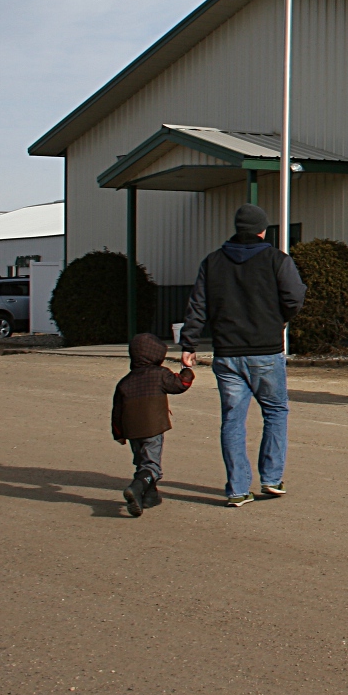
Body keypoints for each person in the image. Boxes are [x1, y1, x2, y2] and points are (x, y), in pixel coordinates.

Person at [179, 203, 306, 507]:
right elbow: (294, 296)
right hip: (265, 349)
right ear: (263, 230)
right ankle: (271, 478)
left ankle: (237, 488)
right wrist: (280, 319)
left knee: (233, 420)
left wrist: (188, 345)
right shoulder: (277, 260)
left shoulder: (212, 262)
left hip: (227, 352)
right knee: (275, 411)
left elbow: (198, 305)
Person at [110, 332, 195, 517]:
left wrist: (119, 434)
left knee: (141, 461)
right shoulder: (160, 374)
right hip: (153, 427)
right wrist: (187, 369)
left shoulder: (125, 382)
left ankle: (150, 496)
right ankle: (136, 488)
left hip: (132, 431)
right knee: (151, 465)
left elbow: (117, 412)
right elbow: (181, 384)